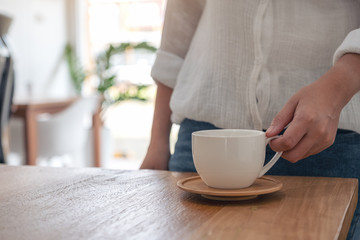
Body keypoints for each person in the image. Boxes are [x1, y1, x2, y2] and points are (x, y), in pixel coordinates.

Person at [140, 1, 360, 238]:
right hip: (201, 148)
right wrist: (157, 143)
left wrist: (336, 89)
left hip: (324, 145)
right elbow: (179, 31)